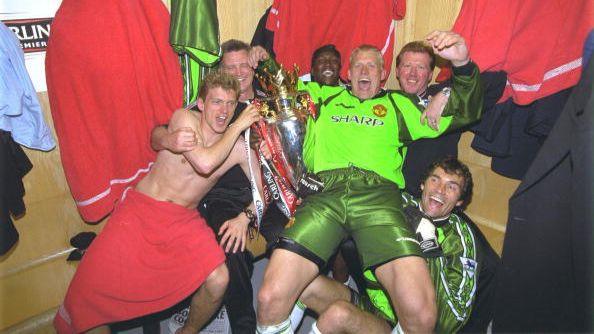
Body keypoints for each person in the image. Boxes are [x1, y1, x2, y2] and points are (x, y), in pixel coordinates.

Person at [252, 30, 483, 333]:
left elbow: (466, 111)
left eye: (372, 66)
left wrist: (462, 65)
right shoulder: (325, 96)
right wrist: (263, 60)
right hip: (325, 195)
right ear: (348, 73)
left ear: (384, 74)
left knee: (421, 315)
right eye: (357, 66)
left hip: (379, 200)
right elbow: (281, 89)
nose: (364, 71)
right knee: (270, 297)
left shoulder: (402, 106)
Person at [53, 71, 262, 334]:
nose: (224, 111)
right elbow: (205, 162)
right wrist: (236, 127)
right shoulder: (185, 119)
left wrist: (245, 217)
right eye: (217, 102)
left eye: (231, 104)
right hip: (142, 209)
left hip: (183, 219)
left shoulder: (239, 148)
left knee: (219, 279)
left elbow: (261, 194)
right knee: (89, 292)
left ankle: (187, 331)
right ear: (201, 104)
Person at [154, 39, 288, 334]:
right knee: (233, 246)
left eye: (244, 65)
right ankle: (243, 326)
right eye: (231, 67)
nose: (239, 72)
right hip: (224, 199)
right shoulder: (207, 106)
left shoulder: (264, 105)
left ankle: (285, 310)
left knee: (292, 241)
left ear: (252, 68)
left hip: (268, 192)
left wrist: (272, 149)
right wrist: (167, 139)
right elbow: (159, 131)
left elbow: (289, 146)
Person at [296, 157, 483, 333]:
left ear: (459, 201)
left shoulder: (461, 240)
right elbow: (349, 201)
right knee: (301, 284)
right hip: (374, 304)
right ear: (422, 184)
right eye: (435, 180)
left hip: (408, 325)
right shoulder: (395, 205)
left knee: (338, 315)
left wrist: (429, 247)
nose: (440, 190)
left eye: (451, 187)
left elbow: (449, 322)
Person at [396, 41, 464, 198]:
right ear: (397, 72)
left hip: (433, 197)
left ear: (430, 75)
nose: (412, 74)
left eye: (420, 67)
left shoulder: (442, 99)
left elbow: (490, 83)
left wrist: (446, 92)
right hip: (391, 194)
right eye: (407, 66)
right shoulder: (386, 100)